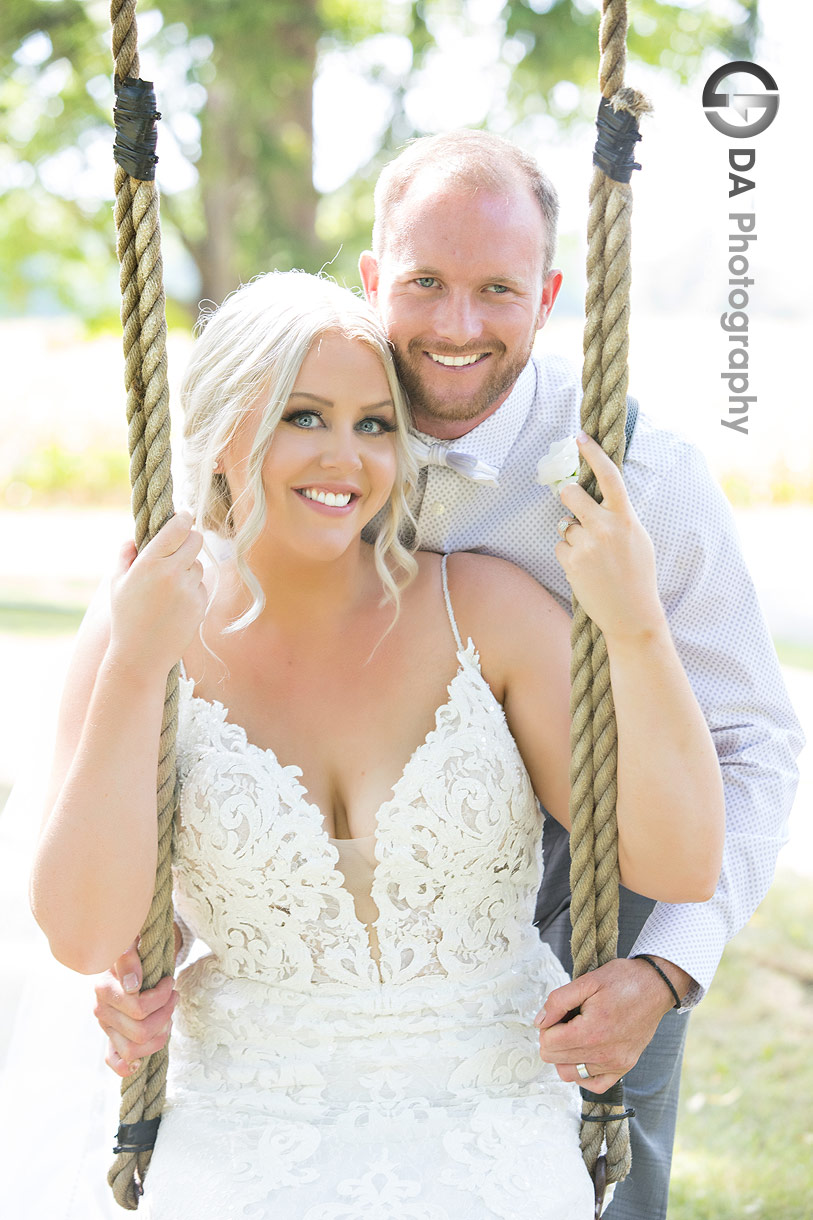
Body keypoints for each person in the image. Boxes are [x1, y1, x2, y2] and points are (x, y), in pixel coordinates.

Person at [92, 130, 803, 1220]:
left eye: (497, 291)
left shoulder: (640, 475)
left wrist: (665, 966)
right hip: (320, 983)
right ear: (376, 279)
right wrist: (168, 919)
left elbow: (753, 741)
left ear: (550, 296)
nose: (458, 326)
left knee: (613, 1183)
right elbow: (227, 702)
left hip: (615, 894)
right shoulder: (312, 437)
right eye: (425, 283)